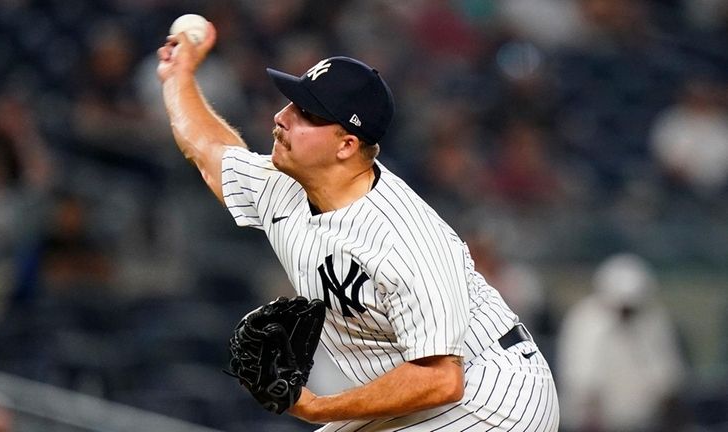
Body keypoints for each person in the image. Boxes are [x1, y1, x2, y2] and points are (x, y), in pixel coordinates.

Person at [157, 20, 559, 431]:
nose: (281, 117)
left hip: (496, 393)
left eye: (305, 113)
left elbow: (441, 377)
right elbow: (210, 152)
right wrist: (178, 76)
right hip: (432, 389)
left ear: (347, 145)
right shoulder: (283, 188)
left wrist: (314, 408)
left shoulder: (403, 238)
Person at [556, 253, 686, 432]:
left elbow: (667, 375)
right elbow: (581, 378)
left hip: (646, 422)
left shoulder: (654, 320)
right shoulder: (585, 319)